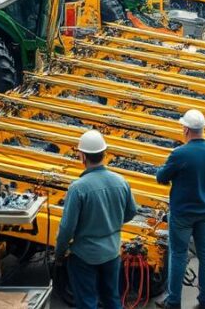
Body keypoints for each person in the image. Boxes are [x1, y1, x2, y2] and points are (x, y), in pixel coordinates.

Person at [55, 130, 138, 309]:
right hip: (112, 252)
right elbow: (132, 212)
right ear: (104, 154)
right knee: (112, 299)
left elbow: (67, 228)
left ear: (82, 156)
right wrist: (113, 222)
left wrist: (59, 253)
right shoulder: (121, 181)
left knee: (87, 302)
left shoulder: (78, 188)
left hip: (84, 255)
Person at [155, 110, 205, 309]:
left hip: (182, 213)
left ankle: (173, 301)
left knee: (178, 255)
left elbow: (161, 177)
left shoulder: (180, 153)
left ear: (186, 129)